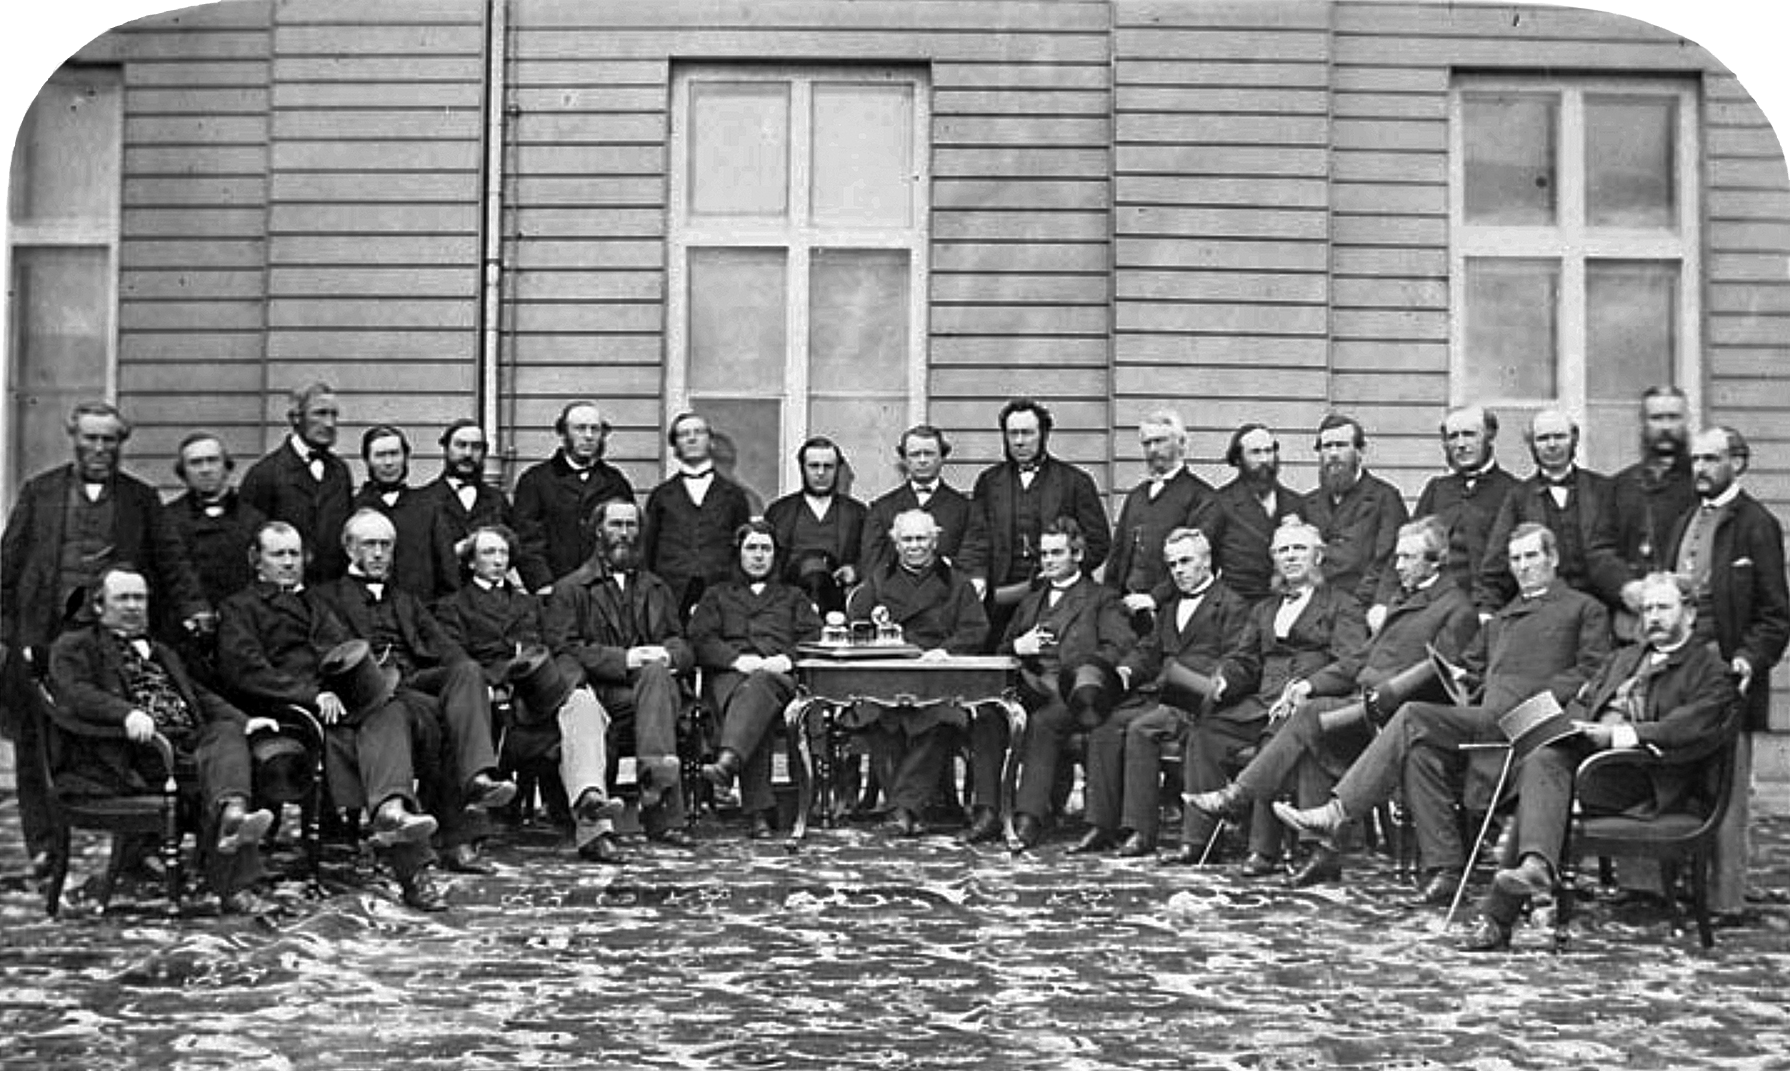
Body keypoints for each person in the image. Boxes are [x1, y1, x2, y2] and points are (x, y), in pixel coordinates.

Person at [1276, 523, 1611, 905]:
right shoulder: (1501, 619)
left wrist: (1533, 700)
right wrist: (1457, 678)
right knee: (1421, 753)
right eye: (1515, 558)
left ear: (1552, 559)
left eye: (1531, 556)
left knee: (1413, 715)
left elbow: (1591, 673)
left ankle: (1339, 811)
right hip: (1485, 721)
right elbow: (1471, 668)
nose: (1522, 566)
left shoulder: (1584, 609)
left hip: (1533, 725)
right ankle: (1445, 872)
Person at [1187, 517, 1480, 886]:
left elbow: (1440, 678)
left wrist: (1380, 694)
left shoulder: (1456, 609)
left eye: (1407, 558)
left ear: (1435, 561)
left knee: (1313, 718)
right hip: (1365, 707)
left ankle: (1239, 798)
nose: (1398, 566)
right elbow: (1359, 660)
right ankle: (1320, 853)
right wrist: (1311, 684)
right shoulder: (1404, 601)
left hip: (1395, 717)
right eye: (1398, 557)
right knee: (1314, 731)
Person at [1462, 572, 1739, 951]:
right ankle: (1534, 871)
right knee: (1542, 758)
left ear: (1689, 613)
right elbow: (1585, 701)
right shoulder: (1624, 658)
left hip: (1649, 778)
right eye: (1647, 609)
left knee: (1541, 784)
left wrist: (1617, 736)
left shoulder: (1710, 671)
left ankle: (1503, 912)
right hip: (1594, 767)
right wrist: (1559, 724)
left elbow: (1686, 729)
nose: (1653, 617)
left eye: (1664, 608)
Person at [2, 401, 208, 876]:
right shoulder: (41, 492)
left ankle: (135, 851)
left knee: (128, 736)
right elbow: (8, 568)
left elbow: (171, 561)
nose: (99, 448)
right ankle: (45, 848)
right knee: (38, 746)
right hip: (46, 637)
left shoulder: (140, 498)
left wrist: (196, 607)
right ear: (74, 437)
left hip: (110, 643)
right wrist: (8, 635)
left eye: (109, 440)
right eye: (91, 438)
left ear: (121, 444)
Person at [216, 521, 448, 910]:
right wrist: (312, 694)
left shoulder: (315, 604)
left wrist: (361, 684)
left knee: (391, 711)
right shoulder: (240, 609)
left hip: (337, 704)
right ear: (257, 562)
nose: (289, 563)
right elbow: (245, 672)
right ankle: (413, 867)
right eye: (279, 554)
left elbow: (341, 651)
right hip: (286, 711)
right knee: (363, 735)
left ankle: (392, 810)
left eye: (294, 554)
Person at [50, 566, 278, 915]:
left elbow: (198, 696)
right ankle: (235, 886)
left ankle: (233, 813)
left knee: (231, 738)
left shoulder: (162, 650)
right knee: (223, 770)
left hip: (183, 747)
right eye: (122, 598)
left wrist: (245, 721)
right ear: (99, 606)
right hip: (132, 754)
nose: (132, 606)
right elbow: (74, 692)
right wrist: (125, 713)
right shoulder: (76, 646)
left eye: (139, 598)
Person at [311, 509, 517, 874]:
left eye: (385, 546)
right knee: (436, 718)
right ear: (348, 548)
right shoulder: (326, 598)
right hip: (370, 690)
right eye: (369, 545)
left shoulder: (406, 600)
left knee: (467, 672)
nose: (378, 554)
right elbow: (327, 655)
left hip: (412, 680)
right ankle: (454, 838)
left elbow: (445, 649)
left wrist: (479, 687)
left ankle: (478, 778)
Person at [432, 524, 626, 864]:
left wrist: (568, 680)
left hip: (537, 700)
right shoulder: (452, 607)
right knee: (468, 714)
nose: (497, 560)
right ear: (470, 562)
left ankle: (592, 814)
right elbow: (457, 660)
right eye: (488, 553)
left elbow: (556, 648)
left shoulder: (530, 604)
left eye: (503, 553)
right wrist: (498, 680)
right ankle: (468, 829)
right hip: (490, 707)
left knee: (582, 702)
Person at [1188, 518, 1368, 884]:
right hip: (1261, 700)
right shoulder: (1264, 610)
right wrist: (1225, 679)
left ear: (1319, 555)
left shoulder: (1342, 604)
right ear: (1273, 559)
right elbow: (1245, 659)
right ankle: (1199, 838)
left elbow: (1353, 661)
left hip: (1307, 704)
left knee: (1276, 734)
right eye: (1283, 550)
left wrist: (1311, 686)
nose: (1291, 557)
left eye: (1299, 548)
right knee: (1206, 730)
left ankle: (1263, 849)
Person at [1666, 427, 1789, 916]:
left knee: (1727, 789)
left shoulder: (1756, 524)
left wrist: (1748, 659)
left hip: (1727, 672)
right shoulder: (1685, 521)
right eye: (1695, 460)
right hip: (1680, 669)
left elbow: (1777, 615)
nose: (1700, 469)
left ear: (1738, 462)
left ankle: (1724, 901)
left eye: (1711, 460)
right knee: (1673, 778)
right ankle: (1662, 891)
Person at [1077, 527, 1252, 862]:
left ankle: (1140, 832)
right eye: (1172, 564)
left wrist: (1210, 684)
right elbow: (1148, 651)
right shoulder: (1171, 607)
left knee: (1143, 729)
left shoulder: (1231, 604)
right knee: (1106, 723)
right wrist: (1126, 672)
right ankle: (1102, 824)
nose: (1179, 571)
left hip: (1196, 697)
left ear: (1207, 561)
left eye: (1186, 561)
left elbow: (1236, 658)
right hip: (1159, 692)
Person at [545, 497, 697, 849]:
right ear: (599, 531)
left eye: (631, 526)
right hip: (601, 691)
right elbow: (563, 648)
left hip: (651, 691)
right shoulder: (571, 589)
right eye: (616, 525)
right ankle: (656, 788)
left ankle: (654, 778)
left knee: (658, 674)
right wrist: (624, 658)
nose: (624, 534)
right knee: (650, 680)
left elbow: (683, 644)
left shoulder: (656, 588)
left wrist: (668, 654)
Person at [991, 516, 1134, 850]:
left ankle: (1028, 817)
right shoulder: (1031, 600)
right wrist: (1018, 646)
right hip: (1029, 685)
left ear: (1078, 556)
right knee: (990, 716)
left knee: (1043, 721)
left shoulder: (1102, 598)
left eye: (1057, 553)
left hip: (1076, 691)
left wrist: (1084, 673)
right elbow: (1001, 650)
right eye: (1043, 554)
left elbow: (1118, 648)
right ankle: (989, 811)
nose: (1048, 561)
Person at [845, 510, 988, 837]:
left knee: (940, 720)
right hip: (887, 679)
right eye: (907, 539)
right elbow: (858, 627)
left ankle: (902, 809)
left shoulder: (957, 583)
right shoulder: (878, 582)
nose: (915, 546)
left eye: (921, 539)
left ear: (935, 541)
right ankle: (908, 808)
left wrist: (946, 651)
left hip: (940, 680)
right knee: (877, 717)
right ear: (895, 543)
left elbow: (976, 630)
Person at [693, 520, 823, 839]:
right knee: (753, 706)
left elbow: (815, 636)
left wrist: (787, 658)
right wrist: (736, 660)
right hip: (730, 677)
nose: (759, 556)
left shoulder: (793, 596)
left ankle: (732, 768)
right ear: (738, 553)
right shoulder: (717, 595)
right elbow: (700, 639)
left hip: (780, 679)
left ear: (775, 555)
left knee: (761, 685)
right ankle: (758, 812)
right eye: (751, 548)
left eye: (766, 548)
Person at [966, 398, 1111, 648]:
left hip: (1057, 596)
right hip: (1001, 596)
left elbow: (1098, 542)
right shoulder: (989, 482)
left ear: (1044, 435)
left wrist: (1065, 571)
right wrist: (977, 576)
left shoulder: (1075, 481)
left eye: (1027, 433)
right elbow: (976, 538)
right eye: (1012, 433)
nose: (1019, 441)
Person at [1474, 409, 1625, 616]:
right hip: (1542, 612)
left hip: (1600, 609)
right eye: (1543, 438)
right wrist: (1487, 610)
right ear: (1532, 445)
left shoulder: (1603, 489)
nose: (1552, 445)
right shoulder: (1518, 497)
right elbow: (1496, 564)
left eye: (1559, 437)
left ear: (1574, 439)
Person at [1392, 405, 1518, 603]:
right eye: (1453, 437)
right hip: (1434, 603)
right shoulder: (1436, 489)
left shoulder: (1513, 491)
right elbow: (1410, 549)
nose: (1460, 444)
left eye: (1469, 435)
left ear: (1490, 436)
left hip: (1491, 606)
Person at [1104, 410, 1213, 629]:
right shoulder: (1136, 496)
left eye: (1160, 441)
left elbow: (1197, 563)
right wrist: (1108, 601)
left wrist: (1154, 598)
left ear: (1181, 443)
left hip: (1171, 611)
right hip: (1126, 610)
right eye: (1147, 443)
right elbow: (1117, 557)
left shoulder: (1201, 496)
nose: (1153, 450)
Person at [512, 400, 635, 594]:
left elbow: (627, 537)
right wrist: (542, 584)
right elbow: (527, 540)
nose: (588, 436)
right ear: (563, 433)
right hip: (555, 589)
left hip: (605, 592)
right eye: (580, 428)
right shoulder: (536, 480)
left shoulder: (615, 482)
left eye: (595, 430)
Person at [641, 411, 754, 620]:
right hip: (672, 592)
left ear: (710, 442)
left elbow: (743, 549)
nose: (692, 438)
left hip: (720, 591)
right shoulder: (661, 496)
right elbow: (648, 549)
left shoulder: (734, 495)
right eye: (684, 434)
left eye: (698, 432)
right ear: (675, 447)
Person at [239, 382, 354, 583]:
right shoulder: (264, 474)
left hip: (332, 596)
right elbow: (249, 547)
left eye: (333, 415)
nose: (329, 423)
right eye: (320, 414)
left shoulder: (340, 472)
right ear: (295, 418)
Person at [1302, 413, 1409, 616]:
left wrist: (1379, 604)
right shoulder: (1309, 503)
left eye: (1341, 445)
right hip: (1316, 606)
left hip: (1363, 605)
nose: (1333, 453)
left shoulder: (1384, 497)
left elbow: (1390, 560)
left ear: (1360, 450)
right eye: (1327, 446)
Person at [1194, 423, 1306, 605]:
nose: (1264, 459)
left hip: (1285, 605)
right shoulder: (1220, 503)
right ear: (1238, 459)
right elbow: (1201, 559)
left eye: (1269, 451)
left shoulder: (1295, 503)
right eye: (1255, 453)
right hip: (1239, 608)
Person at [861, 424, 986, 578]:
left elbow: (972, 563)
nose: (922, 460)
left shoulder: (966, 509)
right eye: (915, 454)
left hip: (947, 596)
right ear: (904, 459)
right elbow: (871, 565)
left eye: (929, 454)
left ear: (942, 457)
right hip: (894, 597)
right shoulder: (881, 509)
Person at [352, 424, 461, 601]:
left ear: (406, 457)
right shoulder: (353, 509)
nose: (388, 463)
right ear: (367, 460)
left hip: (421, 616)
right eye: (380, 456)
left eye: (394, 454)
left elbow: (448, 576)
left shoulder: (428, 508)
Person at [763, 436, 869, 616]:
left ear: (837, 470)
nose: (821, 473)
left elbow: (871, 555)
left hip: (838, 601)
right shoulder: (779, 511)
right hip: (786, 603)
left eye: (828, 467)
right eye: (814, 466)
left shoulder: (857, 512)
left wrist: (855, 571)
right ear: (802, 468)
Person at [167, 431, 267, 612]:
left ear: (226, 466)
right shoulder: (168, 520)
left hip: (243, 620)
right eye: (196, 463)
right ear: (183, 472)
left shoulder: (253, 519)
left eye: (212, 460)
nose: (205, 469)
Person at [420, 419, 512, 559]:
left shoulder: (497, 500)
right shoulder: (425, 499)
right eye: (461, 445)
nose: (468, 453)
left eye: (476, 447)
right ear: (446, 448)